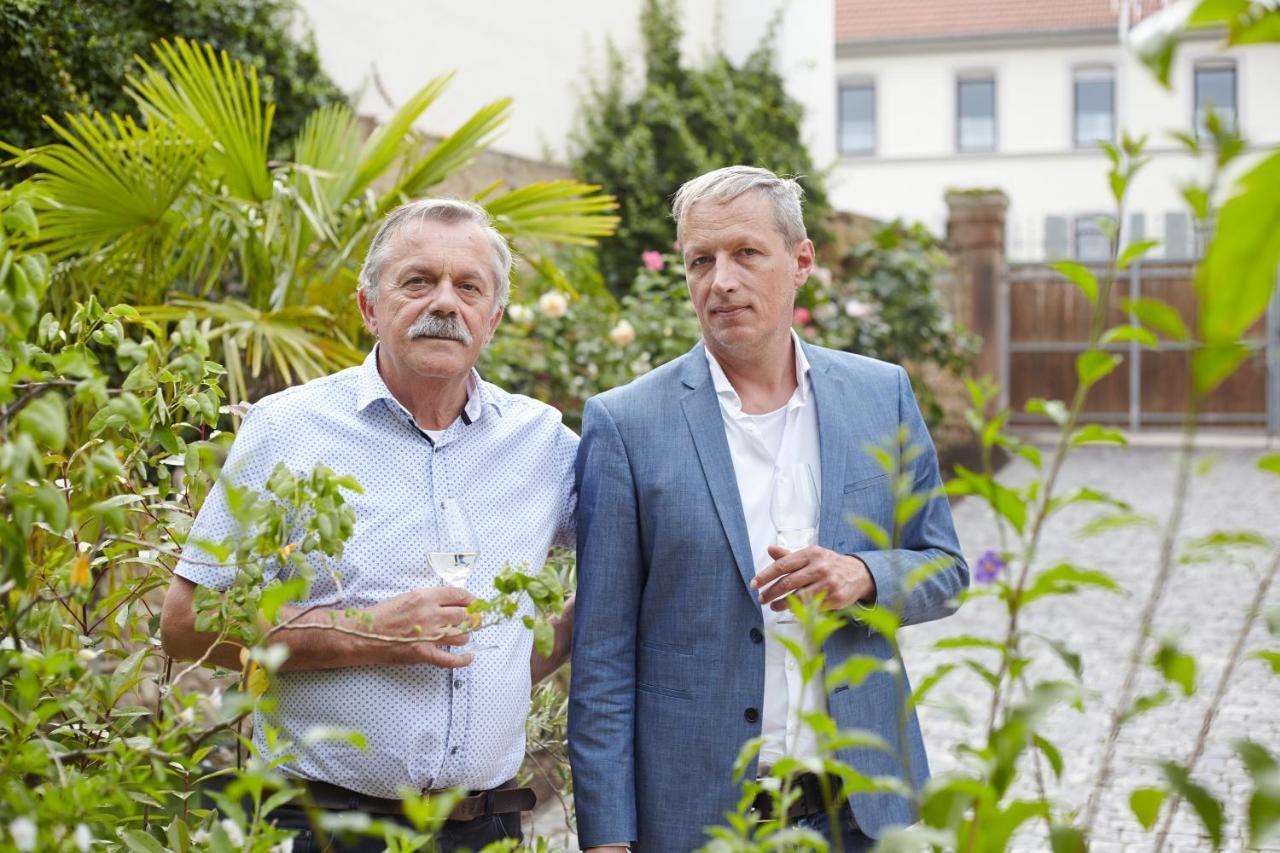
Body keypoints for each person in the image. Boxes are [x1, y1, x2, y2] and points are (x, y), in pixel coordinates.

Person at [569, 166, 968, 852]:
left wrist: (865, 575)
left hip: (861, 811)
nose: (721, 280)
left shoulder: (882, 398)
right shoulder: (626, 423)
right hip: (700, 818)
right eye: (701, 260)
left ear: (801, 260)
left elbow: (946, 568)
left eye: (745, 253)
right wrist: (607, 837)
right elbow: (603, 651)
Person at [160, 199, 577, 853]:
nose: (445, 302)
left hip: (487, 829)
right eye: (417, 280)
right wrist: (366, 633)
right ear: (369, 307)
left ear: (492, 318)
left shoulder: (543, 441)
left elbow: (643, 543)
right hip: (324, 826)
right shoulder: (287, 428)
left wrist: (535, 648)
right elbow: (183, 625)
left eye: (469, 286)